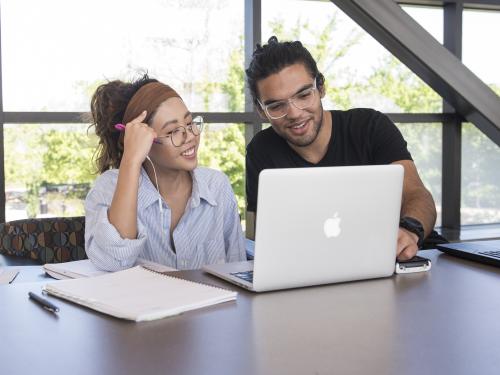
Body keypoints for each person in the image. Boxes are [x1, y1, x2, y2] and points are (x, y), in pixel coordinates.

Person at [245, 36, 437, 261]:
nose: (295, 113)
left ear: (321, 88)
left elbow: (417, 195)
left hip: (404, 259)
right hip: (320, 270)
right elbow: (270, 240)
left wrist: (410, 231)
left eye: (304, 95)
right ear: (261, 111)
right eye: (276, 106)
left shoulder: (370, 127)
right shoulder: (261, 150)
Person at [85, 74, 246, 271]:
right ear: (144, 140)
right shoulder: (109, 187)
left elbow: (238, 268)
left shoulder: (217, 185)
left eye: (189, 124)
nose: (189, 136)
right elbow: (114, 261)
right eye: (172, 131)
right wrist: (131, 159)